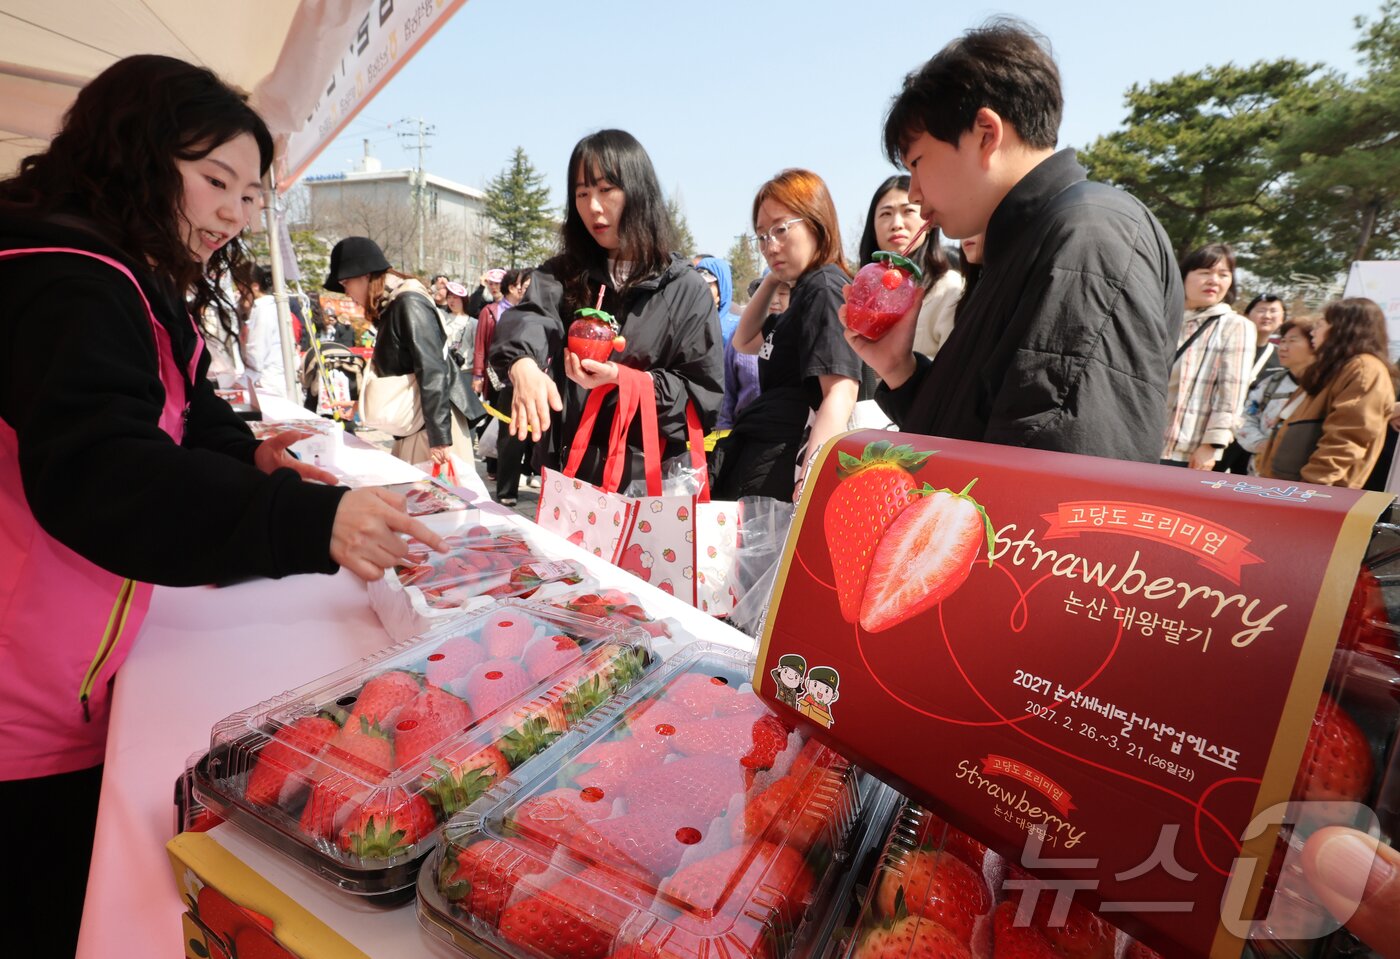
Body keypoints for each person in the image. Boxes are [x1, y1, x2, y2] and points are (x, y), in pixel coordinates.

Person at [0, 54, 444, 952]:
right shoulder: (67, 280)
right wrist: (310, 522)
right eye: (215, 181)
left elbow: (189, 416)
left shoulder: (131, 275)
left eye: (249, 194)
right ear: (131, 154)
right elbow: (109, 476)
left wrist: (253, 462)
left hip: (65, 678)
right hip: (21, 706)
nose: (236, 213)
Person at [846, 21, 1181, 462]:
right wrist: (900, 370)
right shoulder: (1022, 245)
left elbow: (1059, 472)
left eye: (918, 162)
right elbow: (980, 431)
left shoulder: (1088, 236)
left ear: (986, 133)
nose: (914, 194)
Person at [489, 129, 722, 490]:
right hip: (568, 479)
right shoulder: (563, 275)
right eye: (582, 193)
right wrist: (522, 363)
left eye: (605, 190)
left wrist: (623, 380)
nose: (593, 207)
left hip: (645, 490)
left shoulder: (684, 289)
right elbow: (530, 317)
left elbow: (701, 397)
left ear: (638, 192)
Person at [716, 169, 862, 500]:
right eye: (762, 236)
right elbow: (744, 341)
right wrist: (771, 279)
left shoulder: (825, 288)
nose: (770, 246)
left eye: (781, 229)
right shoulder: (803, 292)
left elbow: (840, 390)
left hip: (790, 464)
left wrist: (809, 480)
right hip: (769, 454)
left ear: (816, 222)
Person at [327, 237, 481, 467]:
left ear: (365, 275)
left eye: (345, 282)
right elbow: (406, 370)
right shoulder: (394, 302)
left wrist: (439, 438)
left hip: (430, 429)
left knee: (437, 499)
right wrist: (363, 404)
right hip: (420, 425)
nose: (345, 291)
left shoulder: (407, 302)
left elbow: (432, 368)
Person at [1254, 298, 1397, 487]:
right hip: (1285, 487)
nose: (1313, 332)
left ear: (1342, 328)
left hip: (1310, 492)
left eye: (1320, 325)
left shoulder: (1364, 369)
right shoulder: (1332, 369)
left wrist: (1312, 485)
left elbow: (1347, 438)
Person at [1161, 243, 1254, 469]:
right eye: (1205, 272)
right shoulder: (1163, 317)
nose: (1214, 280)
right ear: (1183, 276)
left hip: (1184, 451)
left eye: (1223, 274)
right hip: (1139, 441)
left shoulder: (1235, 326)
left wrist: (1213, 445)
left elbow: (1231, 394)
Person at [857, 174, 963, 360]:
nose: (896, 224)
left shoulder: (949, 289)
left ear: (928, 223)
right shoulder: (862, 290)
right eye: (885, 214)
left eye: (908, 211)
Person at [1217, 292, 1290, 473]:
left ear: (1282, 319)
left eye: (1273, 311)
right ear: (1246, 315)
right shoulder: (1225, 348)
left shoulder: (1282, 357)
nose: (1267, 316)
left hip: (1253, 433)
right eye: (1261, 310)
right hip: (1221, 426)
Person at [1231, 318, 1315, 474]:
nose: (1282, 347)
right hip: (1260, 472)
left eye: (1291, 341)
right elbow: (1245, 419)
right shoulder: (1271, 383)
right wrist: (1262, 445)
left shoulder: (1325, 387)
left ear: (1315, 344)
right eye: (1282, 341)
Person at [492, 268, 539, 505]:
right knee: (511, 438)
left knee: (540, 438)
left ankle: (536, 477)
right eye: (524, 285)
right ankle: (507, 490)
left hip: (544, 386)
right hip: (513, 386)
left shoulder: (552, 315)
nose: (526, 290)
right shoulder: (510, 314)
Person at [717, 276, 775, 431]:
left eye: (782, 293)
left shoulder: (798, 333)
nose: (773, 300)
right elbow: (727, 389)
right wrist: (723, 429)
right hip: (743, 429)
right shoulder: (739, 336)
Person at [240, 264, 292, 399]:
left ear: (254, 287)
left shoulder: (263, 309)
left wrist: (242, 381)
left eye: (241, 289)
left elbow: (256, 353)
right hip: (276, 380)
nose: (239, 295)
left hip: (268, 384)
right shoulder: (273, 306)